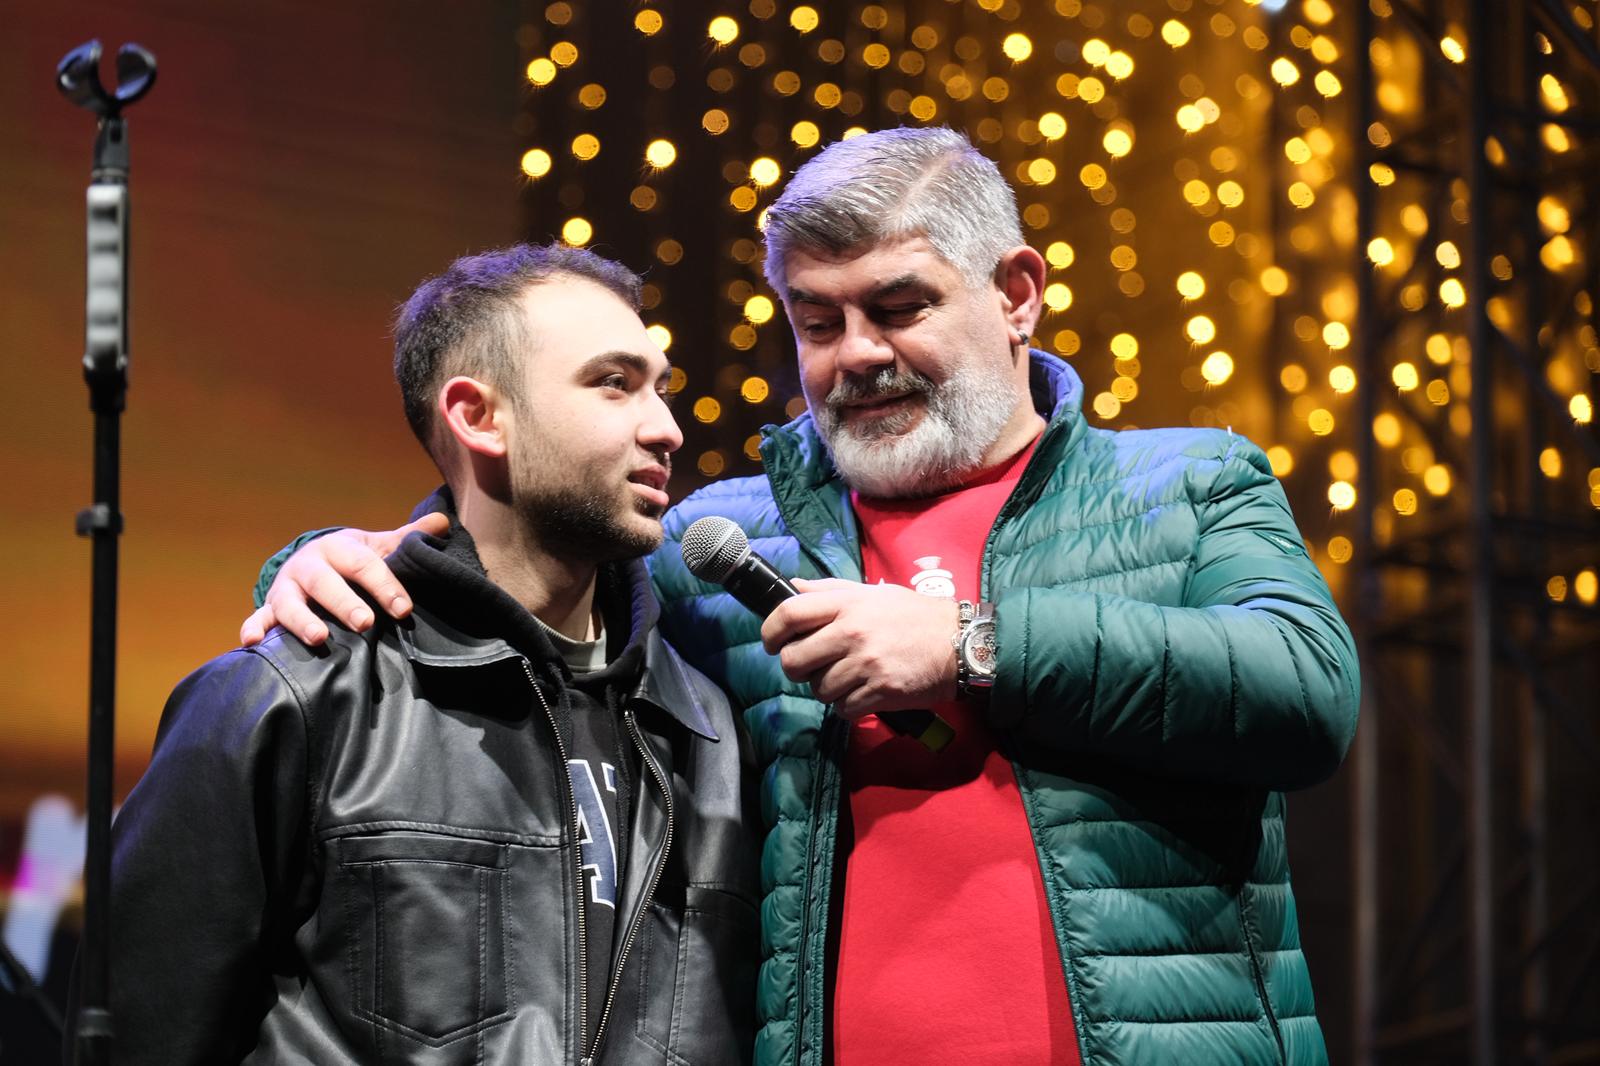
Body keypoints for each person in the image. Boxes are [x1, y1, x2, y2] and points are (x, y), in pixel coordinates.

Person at [245, 128, 1360, 1065]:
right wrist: (322, 558)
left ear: (1016, 294)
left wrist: (970, 645)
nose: (856, 355)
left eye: (899, 307)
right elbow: (522, 566)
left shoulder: (1188, 483)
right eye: (817, 323)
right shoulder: (721, 541)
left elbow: (1306, 691)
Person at [85, 244, 761, 1065]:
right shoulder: (294, 695)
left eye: (660, 388)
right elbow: (145, 1032)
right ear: (477, 416)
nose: (666, 428)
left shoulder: (710, 731)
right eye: (614, 383)